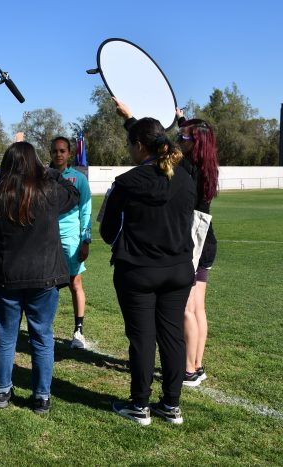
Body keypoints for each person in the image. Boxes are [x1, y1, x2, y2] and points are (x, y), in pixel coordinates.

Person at [98, 98, 196, 425]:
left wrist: (127, 247)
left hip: (138, 271)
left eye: (130, 145)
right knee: (171, 336)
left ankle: (140, 405)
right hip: (179, 270)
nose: (129, 151)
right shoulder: (185, 178)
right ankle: (171, 405)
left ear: (140, 146)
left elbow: (108, 229)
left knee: (142, 338)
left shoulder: (127, 182)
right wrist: (131, 119)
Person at [0, 141, 79, 414]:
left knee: (5, 337)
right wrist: (52, 172)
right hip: (44, 278)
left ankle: (2, 391)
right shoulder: (49, 190)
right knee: (42, 337)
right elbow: (74, 193)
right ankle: (41, 397)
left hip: (8, 277)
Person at [176, 110, 219, 387]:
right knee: (198, 309)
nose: (179, 139)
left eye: (183, 136)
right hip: (207, 242)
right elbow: (188, 139)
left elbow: (165, 150)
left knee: (187, 310)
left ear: (195, 141)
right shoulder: (206, 165)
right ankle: (198, 364)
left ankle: (188, 369)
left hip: (193, 242)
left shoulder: (186, 168)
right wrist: (182, 121)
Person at [49, 136, 93, 349]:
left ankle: (78, 331)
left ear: (69, 153)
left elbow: (86, 211)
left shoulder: (78, 179)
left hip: (72, 238)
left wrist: (86, 240)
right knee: (48, 285)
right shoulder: (43, 177)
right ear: (50, 153)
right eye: (55, 151)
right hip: (47, 237)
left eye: (62, 151)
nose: (58, 154)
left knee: (75, 283)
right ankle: (44, 329)